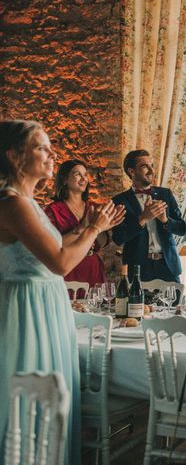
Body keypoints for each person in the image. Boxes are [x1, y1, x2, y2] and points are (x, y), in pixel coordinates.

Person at [0, 120, 123, 464]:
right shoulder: (12, 204)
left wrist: (85, 227)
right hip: (27, 311)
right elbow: (60, 262)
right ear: (14, 156)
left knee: (52, 399)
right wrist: (95, 228)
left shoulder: (28, 201)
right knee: (31, 402)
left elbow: (57, 245)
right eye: (41, 147)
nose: (52, 153)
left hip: (46, 307)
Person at [112, 149, 186, 283]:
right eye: (145, 166)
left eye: (151, 166)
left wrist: (165, 220)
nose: (151, 171)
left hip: (168, 266)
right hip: (138, 269)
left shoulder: (166, 194)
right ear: (131, 171)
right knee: (139, 305)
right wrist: (142, 219)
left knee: (172, 303)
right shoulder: (119, 201)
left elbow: (181, 229)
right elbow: (118, 238)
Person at [45, 159, 114, 290]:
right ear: (64, 180)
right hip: (69, 267)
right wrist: (83, 227)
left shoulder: (93, 207)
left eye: (85, 174)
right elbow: (53, 245)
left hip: (92, 267)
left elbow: (101, 244)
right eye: (77, 174)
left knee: (95, 307)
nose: (84, 179)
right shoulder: (52, 210)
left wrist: (103, 227)